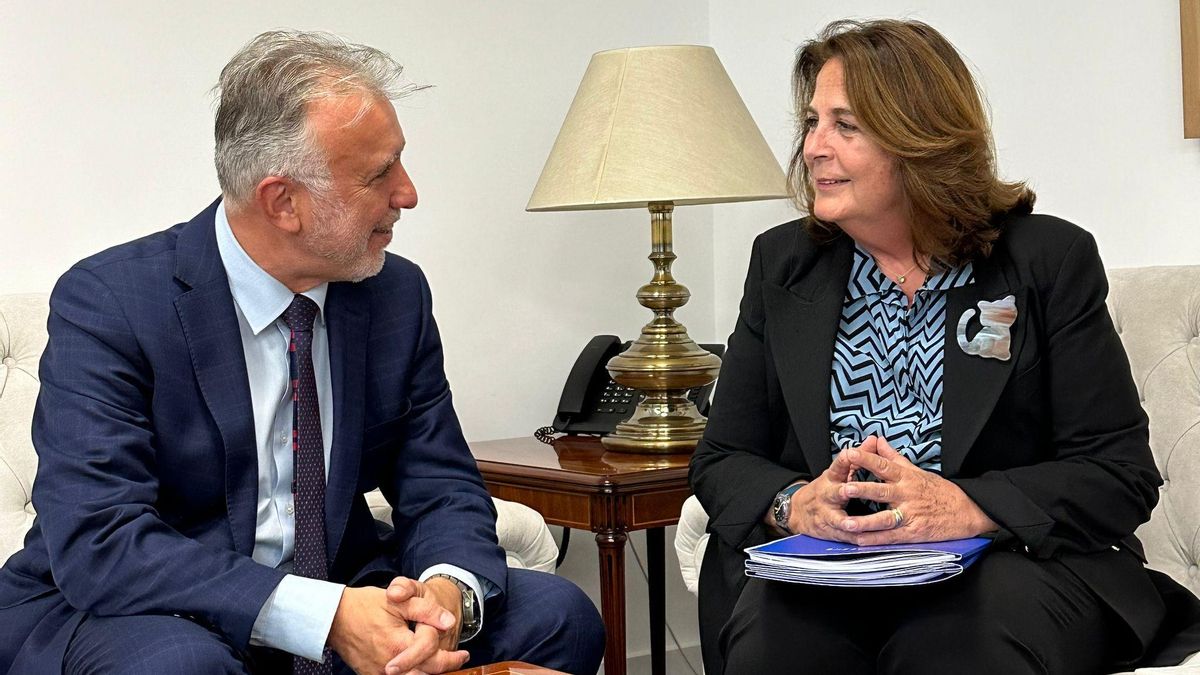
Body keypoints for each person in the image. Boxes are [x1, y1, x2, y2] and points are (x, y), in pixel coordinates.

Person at [0, 30, 604, 675]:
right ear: (282, 201)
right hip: (154, 612)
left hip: (347, 587)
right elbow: (100, 537)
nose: (408, 193)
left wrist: (443, 597)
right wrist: (323, 616)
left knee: (556, 616)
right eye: (379, 175)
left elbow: (440, 482)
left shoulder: (394, 295)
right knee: (180, 667)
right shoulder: (111, 301)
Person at [690, 18, 1200, 674]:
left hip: (1012, 570)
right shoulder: (783, 265)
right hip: (831, 575)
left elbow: (1117, 473)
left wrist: (969, 506)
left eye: (845, 125)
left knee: (955, 638)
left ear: (918, 138)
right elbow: (724, 455)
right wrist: (795, 502)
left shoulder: (1046, 260)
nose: (814, 147)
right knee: (776, 640)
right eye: (811, 122)